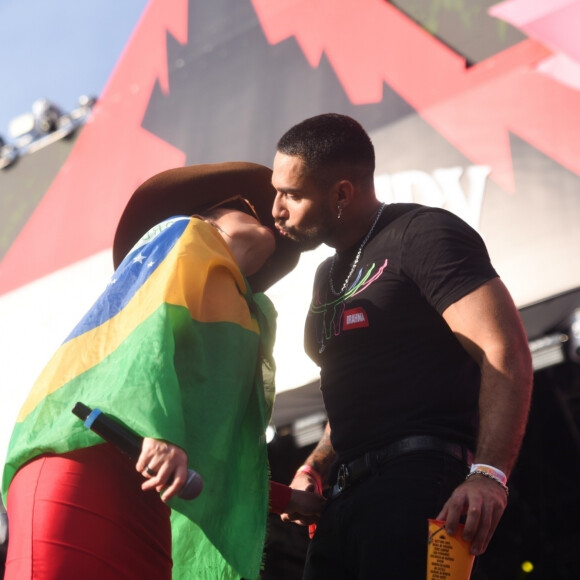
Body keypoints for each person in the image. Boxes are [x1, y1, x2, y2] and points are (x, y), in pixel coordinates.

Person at [2, 162, 324, 580]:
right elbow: (143, 349)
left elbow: (215, 453)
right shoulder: (182, 236)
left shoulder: (249, 315)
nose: (268, 216)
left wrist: (286, 500)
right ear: (207, 215)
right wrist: (156, 428)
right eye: (249, 206)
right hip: (87, 467)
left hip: (148, 499)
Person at [270, 113, 534, 578]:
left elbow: (503, 350)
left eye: (291, 194)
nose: (277, 208)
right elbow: (359, 395)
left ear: (342, 195)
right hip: (344, 499)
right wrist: (315, 464)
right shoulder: (325, 275)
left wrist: (490, 476)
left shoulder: (423, 235)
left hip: (419, 483)